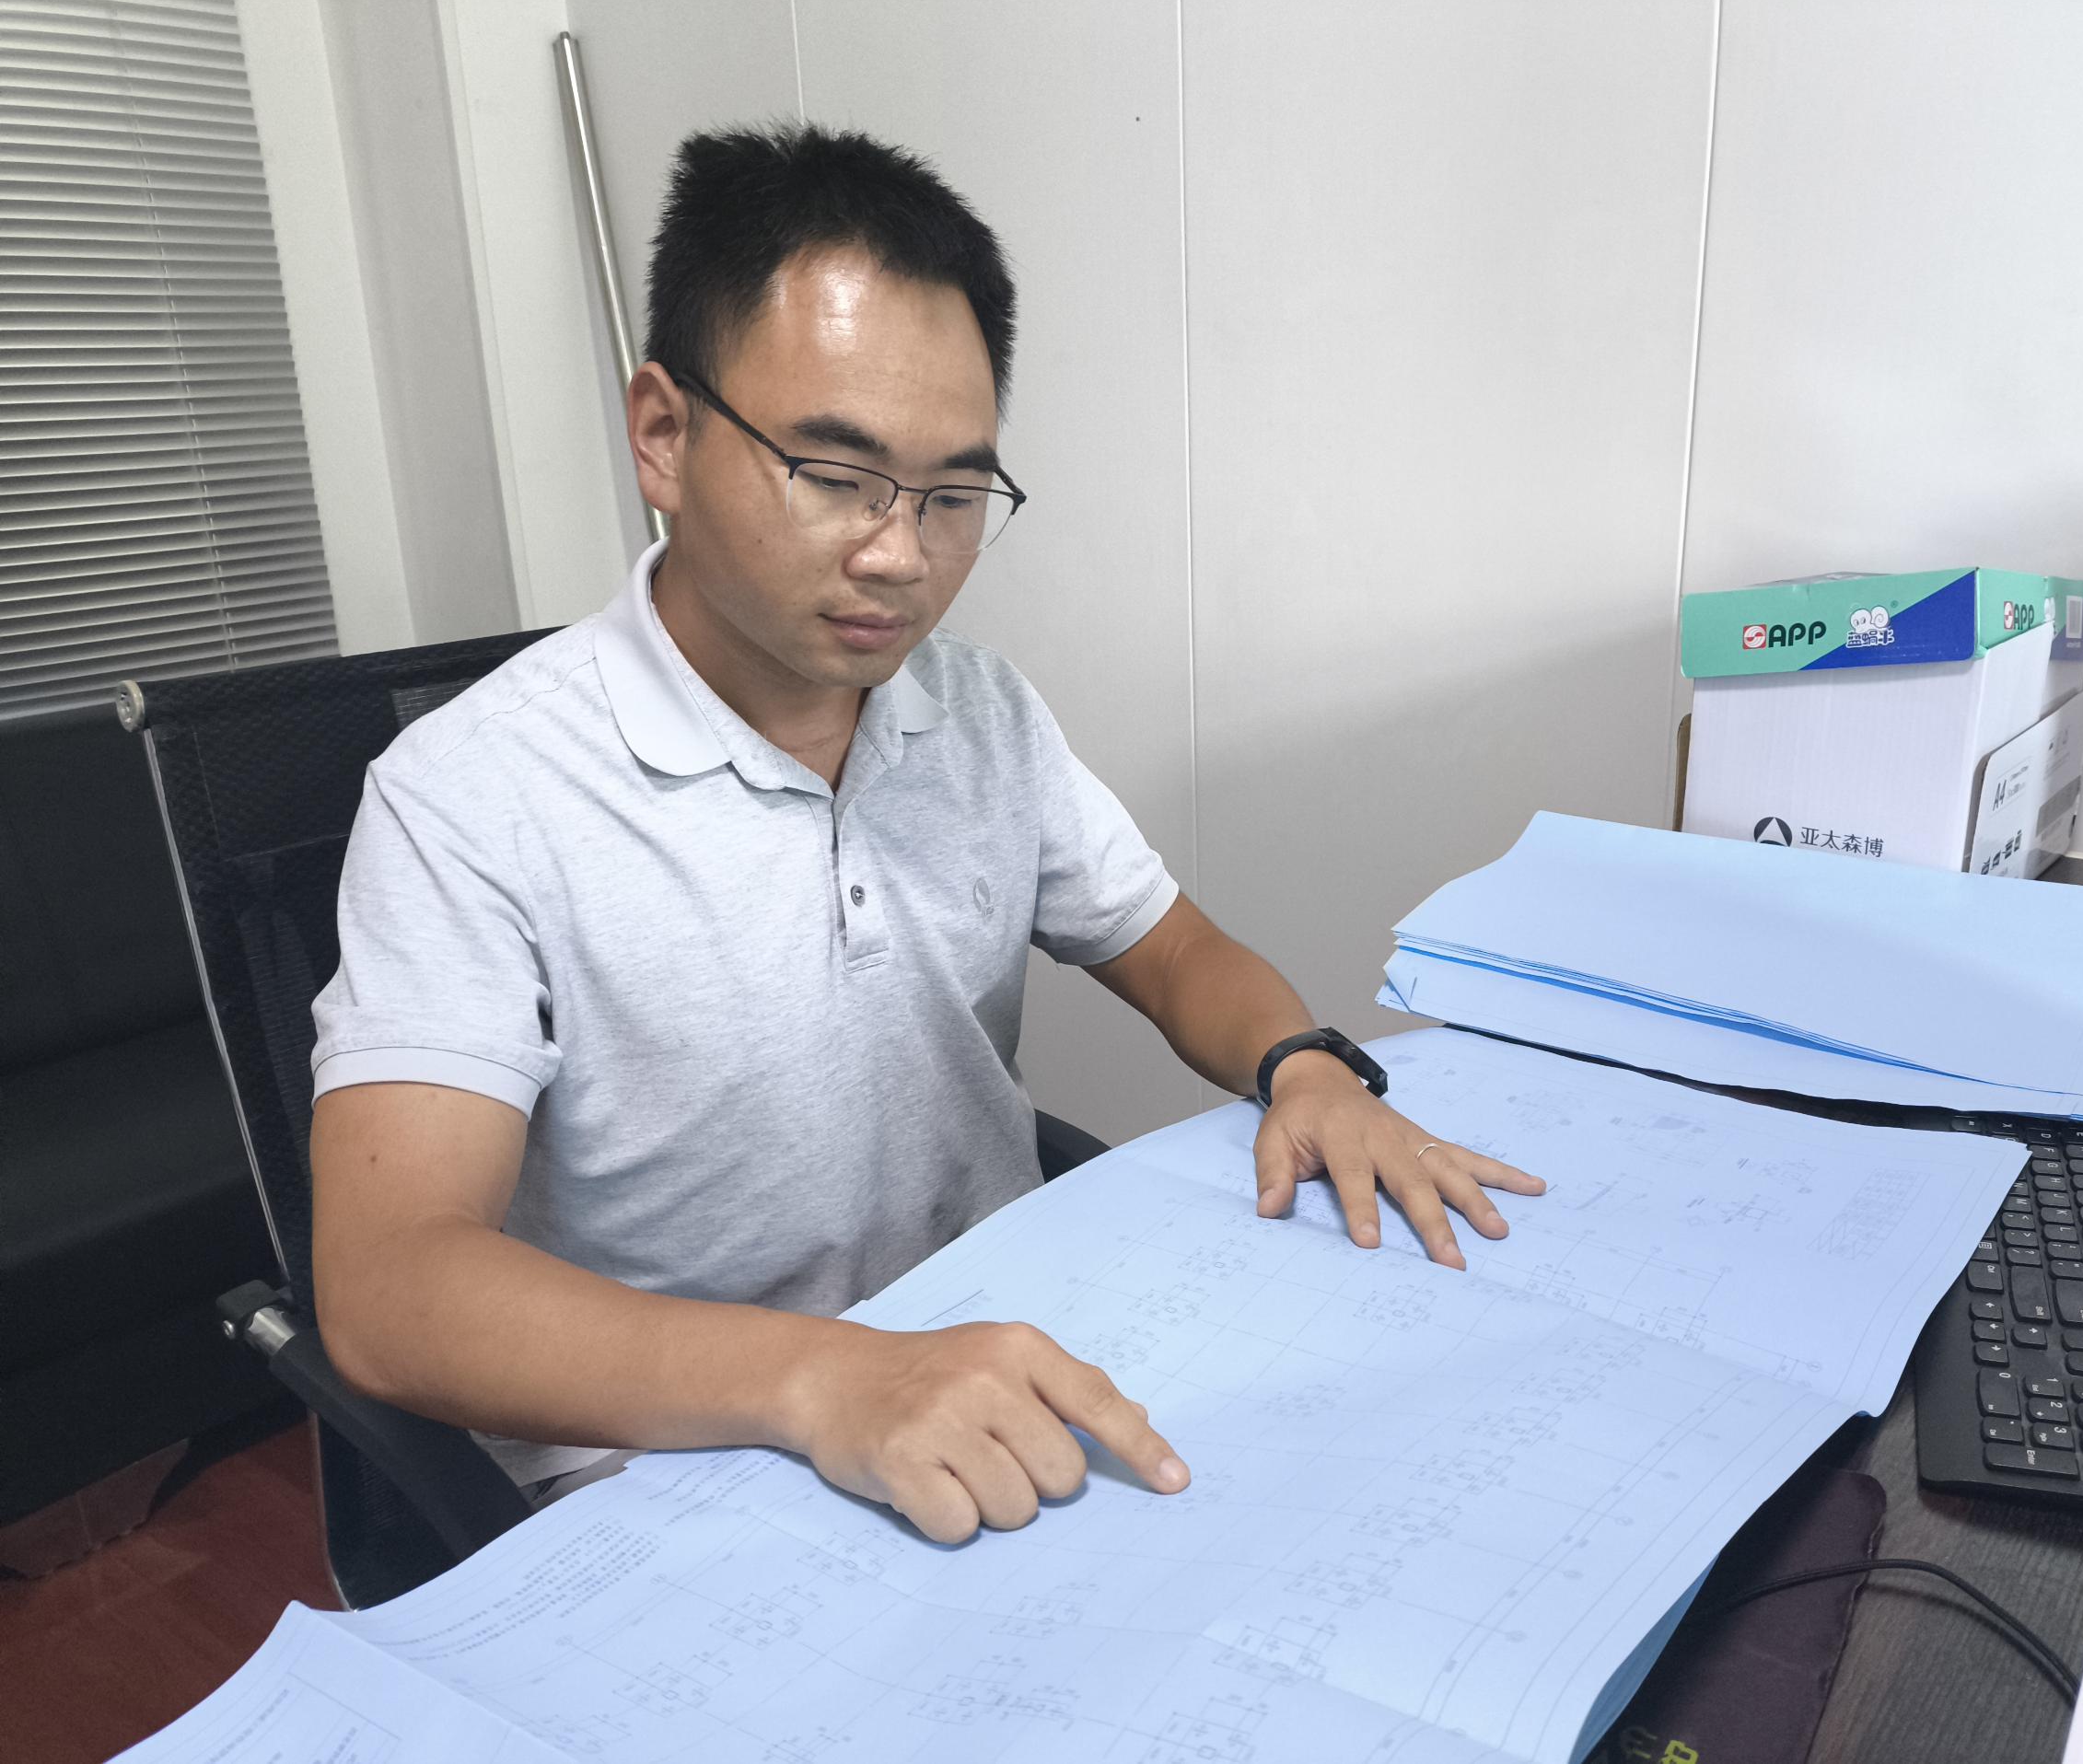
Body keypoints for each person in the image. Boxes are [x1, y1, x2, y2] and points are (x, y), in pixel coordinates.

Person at [308, 124, 1542, 1545]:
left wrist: (1304, 1065)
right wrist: (828, 1377)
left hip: (995, 1358)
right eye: (833, 473)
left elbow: (1173, 949)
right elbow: (392, 1287)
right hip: (679, 1469)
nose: (900, 553)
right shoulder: (469, 795)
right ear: (663, 434)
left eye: (954, 496)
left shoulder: (978, 711)